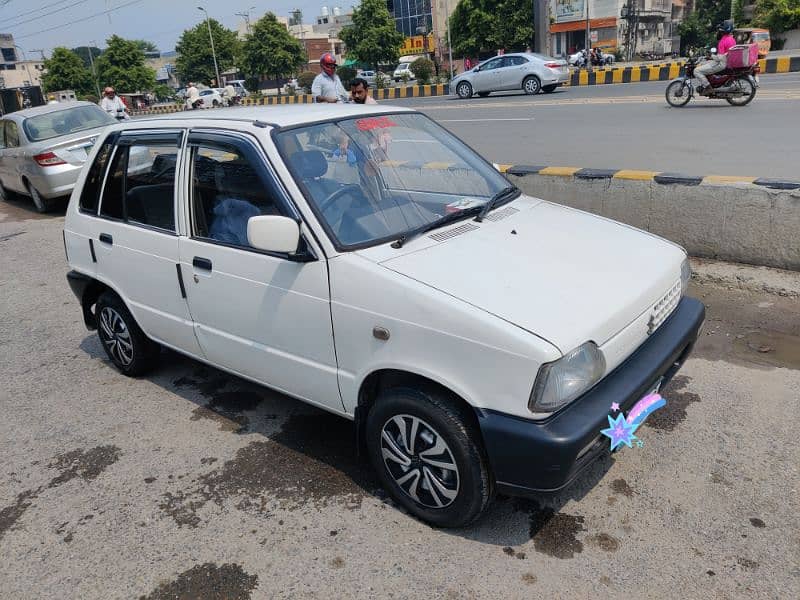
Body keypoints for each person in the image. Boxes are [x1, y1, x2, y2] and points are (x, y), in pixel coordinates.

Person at [694, 21, 737, 93]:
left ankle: (708, 87)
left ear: (722, 32)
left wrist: (711, 56)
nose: (717, 33)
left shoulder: (723, 41)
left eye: (718, 31)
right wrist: (711, 57)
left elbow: (720, 58)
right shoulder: (732, 39)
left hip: (722, 64)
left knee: (697, 71)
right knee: (703, 64)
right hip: (728, 62)